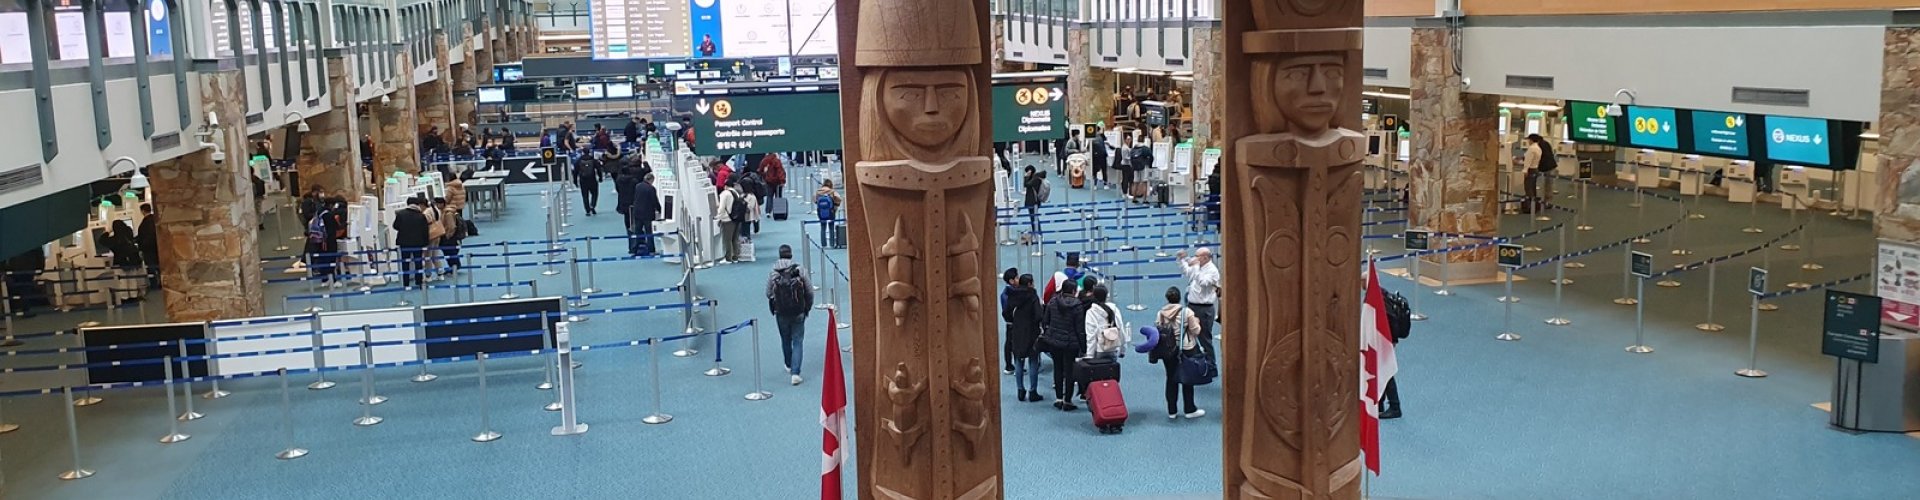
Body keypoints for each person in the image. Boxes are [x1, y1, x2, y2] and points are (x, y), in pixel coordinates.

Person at [1151, 287, 1205, 419]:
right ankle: (1189, 409)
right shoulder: (1187, 312)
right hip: (1186, 348)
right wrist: (1197, 323)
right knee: (1187, 378)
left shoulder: (1161, 313)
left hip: (1168, 350)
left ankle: (1172, 410)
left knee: (1170, 378)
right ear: (1180, 298)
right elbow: (1196, 331)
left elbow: (1158, 328)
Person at [766, 245, 813, 385]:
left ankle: (788, 364)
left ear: (779, 255)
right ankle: (795, 373)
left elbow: (768, 293)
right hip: (798, 311)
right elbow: (809, 291)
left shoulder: (773, 272)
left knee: (785, 339)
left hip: (781, 312)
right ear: (791, 255)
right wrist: (807, 307)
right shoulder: (800, 270)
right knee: (798, 340)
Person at [1038, 280, 1085, 411]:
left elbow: (1045, 321)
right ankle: (1068, 400)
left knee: (1057, 368)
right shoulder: (1077, 306)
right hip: (1071, 343)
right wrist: (1083, 346)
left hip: (1054, 341)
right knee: (1069, 371)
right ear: (1074, 291)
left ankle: (1058, 397)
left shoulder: (1052, 302)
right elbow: (1080, 328)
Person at [1002, 273, 1045, 402]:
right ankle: (1033, 391)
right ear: (1030, 284)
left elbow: (1006, 313)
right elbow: (1038, 315)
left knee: (1018, 360)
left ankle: (1020, 390)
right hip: (1031, 331)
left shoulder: (1012, 295)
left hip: (1017, 331)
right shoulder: (1033, 296)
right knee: (1033, 361)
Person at [1176, 247, 1220, 367]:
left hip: (1204, 309)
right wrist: (1182, 259)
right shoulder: (1199, 266)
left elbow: (1203, 282)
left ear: (1205, 257)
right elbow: (1187, 272)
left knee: (1205, 338)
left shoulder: (1212, 271)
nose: (1195, 258)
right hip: (1192, 305)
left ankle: (1211, 364)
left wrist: (1195, 267)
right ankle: (1196, 360)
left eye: (1197, 256)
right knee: (1190, 334)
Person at [392, 197, 431, 288]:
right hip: (418, 242)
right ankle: (419, 281)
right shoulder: (421, 216)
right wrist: (426, 242)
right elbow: (425, 230)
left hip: (404, 242)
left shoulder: (401, 214)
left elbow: (395, 226)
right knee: (418, 262)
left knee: (405, 263)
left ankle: (405, 283)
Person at [1522, 133, 1556, 214]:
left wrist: (1526, 167)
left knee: (1546, 185)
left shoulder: (1538, 146)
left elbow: (1534, 157)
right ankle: (1538, 203)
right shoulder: (1544, 144)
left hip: (1547, 167)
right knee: (1543, 185)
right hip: (1548, 166)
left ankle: (1544, 203)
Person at [628, 174, 662, 256]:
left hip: (637, 212)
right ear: (651, 180)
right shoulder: (651, 189)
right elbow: (655, 201)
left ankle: (634, 250)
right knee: (649, 233)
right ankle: (651, 250)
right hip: (647, 214)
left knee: (637, 232)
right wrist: (660, 210)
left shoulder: (638, 186)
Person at [998, 267, 1021, 374]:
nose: (1019, 279)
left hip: (1012, 322)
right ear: (1011, 281)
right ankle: (1009, 365)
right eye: (1017, 277)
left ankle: (1011, 365)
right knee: (1011, 344)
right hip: (1012, 322)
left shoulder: (1010, 292)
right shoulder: (1008, 294)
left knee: (1010, 343)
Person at [717, 178, 744, 262]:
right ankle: (736, 256)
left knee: (727, 239)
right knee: (735, 238)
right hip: (737, 218)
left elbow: (721, 207)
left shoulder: (724, 194)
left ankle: (728, 258)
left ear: (725, 186)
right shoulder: (736, 193)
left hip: (727, 219)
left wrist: (718, 217)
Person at [435, 197, 465, 272]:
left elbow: (452, 227)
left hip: (449, 237)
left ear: (442, 204)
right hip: (448, 236)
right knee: (449, 253)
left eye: (437, 204)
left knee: (450, 253)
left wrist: (448, 236)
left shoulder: (448, 214)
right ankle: (453, 267)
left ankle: (454, 267)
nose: (436, 206)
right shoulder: (445, 212)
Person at [136, 204, 160, 287]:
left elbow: (141, 238)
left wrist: (141, 248)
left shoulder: (143, 224)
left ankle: (154, 285)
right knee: (159, 266)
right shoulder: (156, 220)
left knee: (150, 268)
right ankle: (162, 282)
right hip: (158, 248)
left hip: (148, 250)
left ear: (142, 211)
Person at [575, 149, 604, 216]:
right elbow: (599, 169)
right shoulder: (593, 160)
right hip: (592, 179)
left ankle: (587, 210)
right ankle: (592, 205)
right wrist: (600, 178)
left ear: (582, 153)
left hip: (583, 181)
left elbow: (575, 172)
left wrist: (575, 181)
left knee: (585, 196)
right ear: (589, 152)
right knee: (594, 194)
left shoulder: (579, 161)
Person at [815, 179, 841, 245]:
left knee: (823, 228)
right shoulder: (832, 191)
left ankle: (823, 244)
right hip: (831, 212)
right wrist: (835, 206)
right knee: (831, 228)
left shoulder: (818, 192)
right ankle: (832, 244)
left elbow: (815, 200)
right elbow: (839, 199)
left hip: (821, 212)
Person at [1021, 167, 1044, 240]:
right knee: (1033, 218)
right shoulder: (1036, 178)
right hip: (1034, 201)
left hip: (1033, 202)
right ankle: (1036, 233)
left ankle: (1039, 233)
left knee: (1034, 218)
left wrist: (1026, 177)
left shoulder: (1035, 179)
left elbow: (1026, 185)